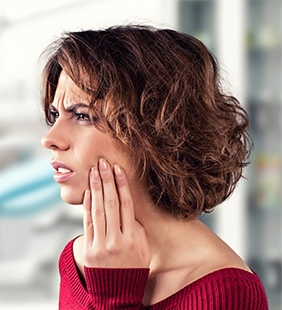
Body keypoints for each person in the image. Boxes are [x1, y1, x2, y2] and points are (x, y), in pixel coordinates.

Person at [40, 25, 268, 309]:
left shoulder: (228, 293)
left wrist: (115, 296)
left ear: (156, 131)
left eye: (83, 116)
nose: (49, 139)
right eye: (55, 114)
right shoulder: (77, 260)